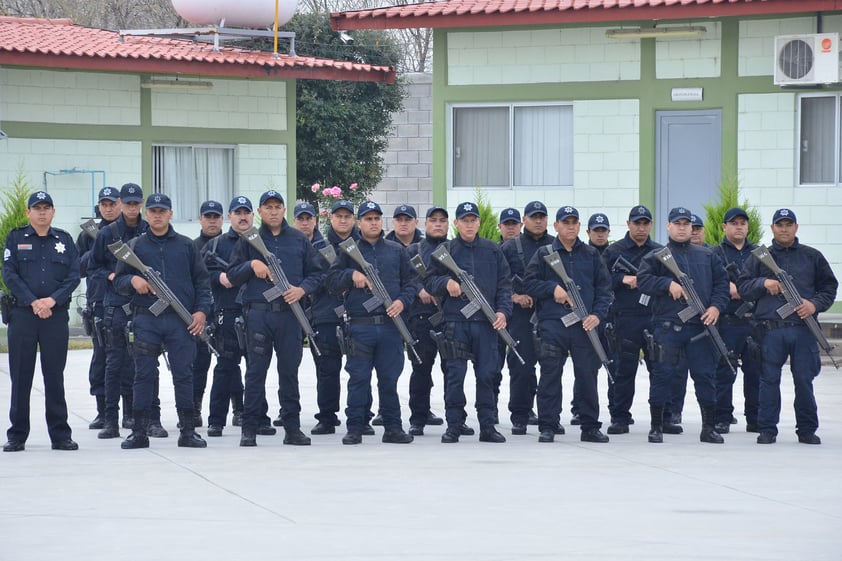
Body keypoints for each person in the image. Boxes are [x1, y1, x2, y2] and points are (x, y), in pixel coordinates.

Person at [227, 190, 324, 447]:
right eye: (267, 207)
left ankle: (292, 428)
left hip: (290, 315)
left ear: (284, 210)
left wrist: (301, 289)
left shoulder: (299, 240)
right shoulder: (249, 240)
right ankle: (249, 428)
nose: (272, 211)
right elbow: (232, 275)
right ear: (259, 212)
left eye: (277, 206)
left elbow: (318, 274)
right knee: (255, 373)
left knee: (289, 373)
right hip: (258, 314)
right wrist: (251, 266)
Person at [114, 194, 212, 449]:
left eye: (162, 211)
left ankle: (188, 431)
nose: (157, 215)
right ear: (146, 214)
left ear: (170, 214)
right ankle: (139, 432)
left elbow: (202, 282)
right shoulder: (135, 246)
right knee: (143, 375)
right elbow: (119, 281)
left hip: (181, 320)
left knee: (184, 375)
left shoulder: (186, 246)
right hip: (147, 319)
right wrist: (133, 281)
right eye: (153, 211)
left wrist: (201, 312)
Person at [738, 208, 838, 445]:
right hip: (770, 330)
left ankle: (806, 429)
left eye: (788, 225)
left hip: (803, 329)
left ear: (796, 227)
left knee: (804, 380)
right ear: (772, 228)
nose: (784, 229)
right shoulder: (759, 257)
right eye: (779, 225)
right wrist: (764, 282)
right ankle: (767, 429)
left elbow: (829, 287)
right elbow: (743, 287)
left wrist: (813, 305)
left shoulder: (812, 256)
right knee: (768, 380)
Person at [637, 207, 730, 444]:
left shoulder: (707, 256)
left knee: (705, 377)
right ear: (668, 226)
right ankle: (656, 426)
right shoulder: (657, 256)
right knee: (662, 377)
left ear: (692, 227)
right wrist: (667, 284)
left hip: (700, 328)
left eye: (686, 224)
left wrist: (716, 307)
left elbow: (722, 285)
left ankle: (708, 428)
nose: (682, 227)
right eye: (677, 223)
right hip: (668, 328)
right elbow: (643, 281)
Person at [327, 201, 417, 445]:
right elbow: (332, 283)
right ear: (360, 223)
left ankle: (393, 428)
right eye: (368, 219)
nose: (373, 222)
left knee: (389, 380)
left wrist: (401, 301)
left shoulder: (397, 251)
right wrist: (350, 275)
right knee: (358, 379)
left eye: (377, 218)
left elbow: (411, 284)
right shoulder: (348, 250)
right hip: (360, 326)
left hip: (390, 325)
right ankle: (355, 427)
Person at [425, 202, 513, 444]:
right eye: (464, 220)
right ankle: (454, 425)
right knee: (455, 375)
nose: (470, 223)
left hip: (486, 324)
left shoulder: (493, 250)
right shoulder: (446, 250)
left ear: (479, 223)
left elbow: (505, 286)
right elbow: (430, 281)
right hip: (456, 322)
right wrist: (446, 284)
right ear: (456, 223)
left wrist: (503, 312)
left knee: (487, 375)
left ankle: (487, 426)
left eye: (473, 219)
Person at [524, 206, 612, 443]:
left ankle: (590, 426)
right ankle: (548, 425)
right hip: (553, 324)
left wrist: (598, 315)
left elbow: (605, 291)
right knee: (550, 375)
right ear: (556, 226)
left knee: (587, 376)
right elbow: (528, 284)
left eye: (574, 222)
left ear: (579, 226)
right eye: (566, 222)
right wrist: (553, 289)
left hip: (585, 325)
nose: (571, 226)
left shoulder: (592, 255)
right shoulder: (545, 253)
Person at [2, 191, 81, 452]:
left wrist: (52, 301)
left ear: (53, 212)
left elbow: (73, 275)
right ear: (28, 213)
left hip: (55, 317)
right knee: (21, 376)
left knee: (54, 377)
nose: (42, 212)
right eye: (37, 208)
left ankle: (60, 435)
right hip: (23, 316)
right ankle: (17, 434)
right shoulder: (16, 238)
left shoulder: (65, 240)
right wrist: (34, 301)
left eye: (47, 207)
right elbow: (9, 274)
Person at [89, 183, 168, 439]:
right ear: (121, 202)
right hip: (116, 305)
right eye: (128, 203)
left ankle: (151, 420)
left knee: (147, 365)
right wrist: (113, 276)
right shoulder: (108, 233)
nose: (132, 208)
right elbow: (94, 269)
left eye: (137, 204)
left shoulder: (150, 230)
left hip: (145, 307)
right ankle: (111, 420)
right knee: (114, 365)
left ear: (141, 203)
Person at [297, 200, 365, 435]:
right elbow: (313, 278)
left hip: (358, 315)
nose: (343, 220)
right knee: (327, 370)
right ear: (331, 220)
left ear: (354, 219)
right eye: (339, 216)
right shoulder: (318, 247)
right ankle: (327, 417)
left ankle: (362, 416)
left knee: (360, 369)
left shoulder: (364, 246)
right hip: (326, 314)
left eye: (348, 216)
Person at [601, 205, 662, 435]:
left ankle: (661, 417)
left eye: (645, 223)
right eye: (637, 223)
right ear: (628, 224)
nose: (641, 227)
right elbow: (601, 280)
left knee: (659, 369)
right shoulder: (614, 251)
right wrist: (623, 280)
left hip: (653, 317)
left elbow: (666, 281)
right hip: (624, 318)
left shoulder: (658, 251)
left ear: (651, 225)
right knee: (623, 370)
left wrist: (646, 281)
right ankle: (620, 417)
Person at [203, 197, 259, 437]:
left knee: (257, 369)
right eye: (238, 212)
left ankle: (259, 418)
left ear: (253, 216)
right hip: (228, 313)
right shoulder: (216, 245)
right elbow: (200, 274)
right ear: (229, 216)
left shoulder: (261, 243)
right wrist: (219, 279)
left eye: (247, 212)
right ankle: (216, 420)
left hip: (257, 313)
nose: (243, 216)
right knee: (225, 368)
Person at [501, 201, 552, 435]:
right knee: (521, 366)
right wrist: (515, 297)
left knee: (552, 368)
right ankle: (520, 416)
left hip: (550, 314)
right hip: (521, 316)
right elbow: (498, 282)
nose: (538, 220)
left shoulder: (556, 246)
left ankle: (550, 417)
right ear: (525, 220)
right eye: (534, 217)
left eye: (542, 216)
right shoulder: (510, 248)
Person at [76, 186, 122, 430]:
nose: (108, 208)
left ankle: (134, 412)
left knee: (131, 360)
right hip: (100, 302)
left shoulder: (129, 229)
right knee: (102, 359)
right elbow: (79, 268)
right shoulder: (89, 234)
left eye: (112, 203)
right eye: (104, 204)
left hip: (127, 301)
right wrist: (96, 249)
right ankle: (103, 411)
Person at [712, 207, 761, 434]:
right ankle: (722, 417)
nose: (739, 226)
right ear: (724, 227)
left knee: (756, 373)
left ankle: (755, 417)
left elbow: (768, 282)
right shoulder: (714, 254)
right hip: (728, 321)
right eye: (734, 223)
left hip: (754, 321)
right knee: (724, 372)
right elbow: (707, 283)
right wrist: (725, 287)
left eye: (742, 223)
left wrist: (745, 289)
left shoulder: (761, 254)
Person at [405, 206, 450, 436]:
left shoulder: (455, 249)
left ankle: (456, 420)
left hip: (449, 318)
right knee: (421, 370)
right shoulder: (414, 250)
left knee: (452, 370)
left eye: (443, 220)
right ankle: (418, 418)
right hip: (420, 319)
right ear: (425, 224)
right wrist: (420, 289)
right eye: (433, 220)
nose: (438, 224)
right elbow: (406, 279)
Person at [189, 200, 224, 428]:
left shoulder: (233, 244)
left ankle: (239, 409)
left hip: (227, 310)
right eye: (207, 216)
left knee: (228, 364)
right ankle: (194, 409)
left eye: (216, 217)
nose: (212, 221)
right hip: (201, 312)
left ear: (222, 219)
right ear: (200, 219)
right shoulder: (190, 247)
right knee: (199, 365)